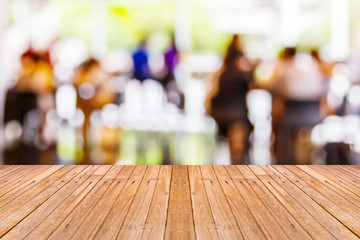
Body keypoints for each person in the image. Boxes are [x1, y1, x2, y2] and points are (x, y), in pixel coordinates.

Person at [270, 47, 327, 164]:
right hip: (313, 113)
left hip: (292, 113)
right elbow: (321, 92)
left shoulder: (284, 68)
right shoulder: (313, 68)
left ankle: (283, 161)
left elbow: (274, 87)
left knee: (278, 125)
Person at [205, 35, 254, 164]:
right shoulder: (242, 73)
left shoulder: (219, 73)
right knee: (237, 147)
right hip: (235, 116)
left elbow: (209, 96)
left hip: (219, 114)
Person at [3, 49, 56, 164]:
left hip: (40, 100)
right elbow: (21, 86)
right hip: (30, 101)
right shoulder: (27, 71)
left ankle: (40, 136)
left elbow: (42, 88)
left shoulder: (42, 71)